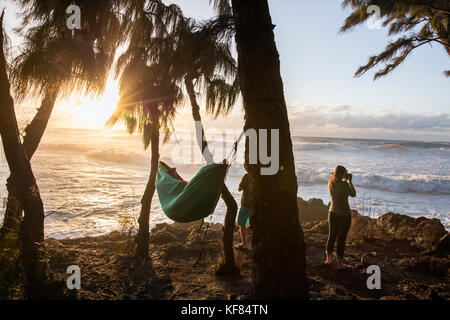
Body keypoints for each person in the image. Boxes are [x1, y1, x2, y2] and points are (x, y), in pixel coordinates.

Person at [325, 165, 356, 269]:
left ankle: (328, 260)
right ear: (343, 174)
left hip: (332, 212)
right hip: (344, 215)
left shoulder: (330, 183)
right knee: (341, 239)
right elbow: (353, 194)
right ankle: (340, 264)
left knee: (331, 236)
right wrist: (350, 181)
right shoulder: (345, 185)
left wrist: (345, 180)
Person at [235, 164, 251, 249]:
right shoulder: (257, 176)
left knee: (241, 222)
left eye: (245, 165)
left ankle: (244, 244)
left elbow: (239, 189)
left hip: (246, 204)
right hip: (254, 204)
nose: (244, 167)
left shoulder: (246, 176)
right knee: (253, 223)